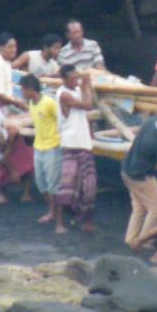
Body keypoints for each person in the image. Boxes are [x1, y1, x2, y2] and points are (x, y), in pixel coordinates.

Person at [121, 108, 157, 250]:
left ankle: (130, 239)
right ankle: (145, 241)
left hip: (127, 170)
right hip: (141, 177)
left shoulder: (150, 122)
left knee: (140, 208)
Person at [56, 64, 97, 233]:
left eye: (76, 78)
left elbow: (87, 105)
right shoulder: (64, 94)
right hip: (70, 144)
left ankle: (86, 220)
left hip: (83, 143)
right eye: (72, 79)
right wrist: (86, 84)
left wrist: (85, 85)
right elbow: (89, 105)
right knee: (66, 186)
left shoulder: (77, 90)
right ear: (64, 79)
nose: (76, 81)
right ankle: (59, 223)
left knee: (89, 186)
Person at [20, 75, 63, 224]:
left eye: (23, 89)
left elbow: (62, 121)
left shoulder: (49, 103)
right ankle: (53, 210)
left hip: (53, 147)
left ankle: (56, 216)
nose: (22, 92)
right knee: (41, 183)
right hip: (39, 147)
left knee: (53, 184)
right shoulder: (32, 104)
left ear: (30, 89)